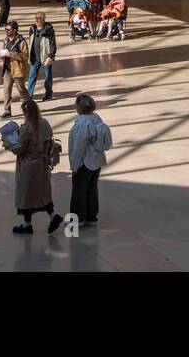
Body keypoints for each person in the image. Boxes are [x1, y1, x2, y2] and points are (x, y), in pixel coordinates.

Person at [8, 99, 63, 234]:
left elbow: (19, 149)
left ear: (25, 112)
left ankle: (27, 225)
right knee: (43, 193)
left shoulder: (26, 128)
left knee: (27, 195)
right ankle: (53, 216)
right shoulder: (45, 123)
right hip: (42, 163)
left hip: (28, 166)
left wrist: (9, 144)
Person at [68, 93, 113, 227]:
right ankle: (91, 216)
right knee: (92, 189)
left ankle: (77, 219)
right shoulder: (97, 118)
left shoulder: (83, 123)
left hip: (84, 162)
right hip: (97, 160)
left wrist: (74, 165)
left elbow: (78, 147)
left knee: (78, 190)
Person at [0, 20, 31, 118]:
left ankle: (29, 108)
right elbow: (5, 53)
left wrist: (10, 54)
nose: (6, 31)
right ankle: (7, 110)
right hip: (7, 69)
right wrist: (2, 56)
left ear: (15, 30)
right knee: (6, 90)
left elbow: (25, 56)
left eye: (8, 29)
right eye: (5, 29)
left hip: (17, 70)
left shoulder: (21, 41)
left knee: (22, 90)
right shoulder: (5, 40)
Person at [27, 12, 57, 101]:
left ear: (44, 20)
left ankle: (48, 94)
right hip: (34, 58)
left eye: (39, 18)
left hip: (45, 57)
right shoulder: (32, 29)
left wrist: (50, 56)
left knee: (48, 76)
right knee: (32, 76)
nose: (37, 20)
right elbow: (30, 42)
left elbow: (53, 44)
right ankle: (29, 95)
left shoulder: (49, 30)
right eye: (36, 17)